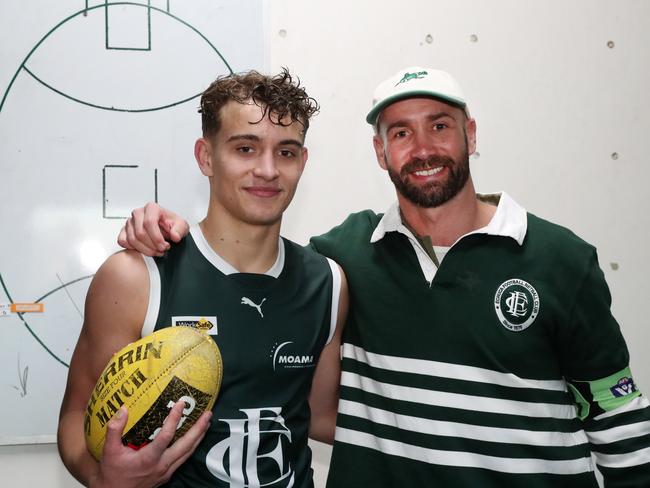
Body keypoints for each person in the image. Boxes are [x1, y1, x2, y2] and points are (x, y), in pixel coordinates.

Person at [117, 67, 650, 487]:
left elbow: (617, 414)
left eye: (439, 125)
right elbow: (251, 251)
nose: (422, 149)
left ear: (469, 133)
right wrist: (164, 229)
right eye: (401, 133)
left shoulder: (560, 258)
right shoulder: (343, 258)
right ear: (380, 151)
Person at [58, 69, 347, 488]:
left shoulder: (329, 283)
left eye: (285, 152)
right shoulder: (137, 276)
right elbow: (76, 416)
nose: (267, 170)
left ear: (302, 162)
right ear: (206, 157)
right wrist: (104, 481)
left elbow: (322, 417)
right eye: (245, 148)